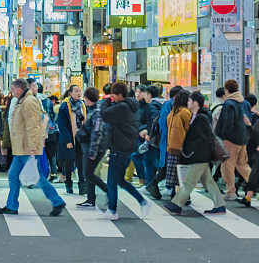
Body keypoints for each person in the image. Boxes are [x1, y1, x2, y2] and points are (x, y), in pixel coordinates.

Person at [0, 79, 66, 216]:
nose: (11, 91)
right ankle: (11, 205)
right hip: (21, 146)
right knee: (14, 175)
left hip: (26, 147)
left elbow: (33, 125)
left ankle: (57, 201)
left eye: (13, 88)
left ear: (19, 90)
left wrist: (33, 147)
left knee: (37, 177)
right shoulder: (23, 100)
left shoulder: (29, 102)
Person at [162, 91, 226, 215]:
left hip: (199, 156)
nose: (187, 102)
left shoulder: (201, 118)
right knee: (208, 181)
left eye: (190, 101)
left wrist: (190, 148)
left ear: (195, 103)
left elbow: (203, 138)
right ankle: (220, 205)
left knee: (188, 182)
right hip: (199, 156)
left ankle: (176, 205)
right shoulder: (195, 116)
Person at [100, 82, 153, 220]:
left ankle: (112, 210)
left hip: (119, 148)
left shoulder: (122, 107)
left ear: (118, 94)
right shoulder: (129, 105)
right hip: (125, 148)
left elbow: (105, 115)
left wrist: (105, 101)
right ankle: (142, 201)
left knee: (112, 180)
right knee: (119, 180)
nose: (112, 97)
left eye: (113, 94)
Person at [214, 79, 251, 200]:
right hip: (243, 138)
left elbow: (227, 123)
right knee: (242, 165)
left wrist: (223, 137)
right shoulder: (243, 102)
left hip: (230, 140)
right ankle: (257, 184)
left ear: (227, 90)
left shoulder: (229, 103)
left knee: (227, 166)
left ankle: (231, 192)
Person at [76, 86, 108, 209]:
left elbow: (97, 133)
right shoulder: (93, 109)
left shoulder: (97, 112)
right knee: (88, 173)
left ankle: (107, 190)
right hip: (90, 147)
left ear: (87, 98)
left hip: (92, 147)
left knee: (88, 173)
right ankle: (90, 199)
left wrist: (93, 151)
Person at [56, 84, 86, 195]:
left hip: (80, 138)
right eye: (76, 91)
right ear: (70, 93)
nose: (79, 93)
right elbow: (62, 124)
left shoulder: (82, 104)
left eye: (80, 91)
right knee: (69, 163)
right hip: (69, 138)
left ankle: (82, 186)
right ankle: (68, 185)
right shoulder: (65, 106)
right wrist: (67, 140)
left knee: (81, 162)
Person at [165, 90, 191, 195]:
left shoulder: (173, 111)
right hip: (181, 146)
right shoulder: (185, 112)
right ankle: (183, 196)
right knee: (183, 174)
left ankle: (175, 193)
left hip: (172, 146)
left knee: (175, 174)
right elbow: (189, 129)